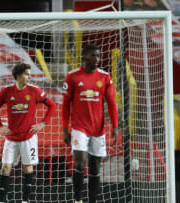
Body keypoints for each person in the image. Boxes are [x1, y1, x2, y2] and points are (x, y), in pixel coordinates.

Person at [62, 44, 118, 203]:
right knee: (79, 162)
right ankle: (77, 199)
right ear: (84, 56)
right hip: (79, 127)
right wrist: (65, 128)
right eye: (93, 55)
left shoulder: (105, 77)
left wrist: (114, 125)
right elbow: (65, 105)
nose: (97, 59)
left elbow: (112, 103)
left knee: (95, 168)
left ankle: (92, 200)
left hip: (98, 129)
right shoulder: (72, 76)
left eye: (98, 56)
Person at [0, 63, 56, 203]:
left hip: (29, 137)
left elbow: (52, 105)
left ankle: (25, 200)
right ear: (19, 75)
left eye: (30, 74)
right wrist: (0, 126)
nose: (29, 76)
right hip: (11, 137)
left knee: (27, 167)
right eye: (27, 74)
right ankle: (2, 200)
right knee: (5, 167)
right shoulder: (6, 91)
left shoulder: (35, 91)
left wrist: (42, 123)